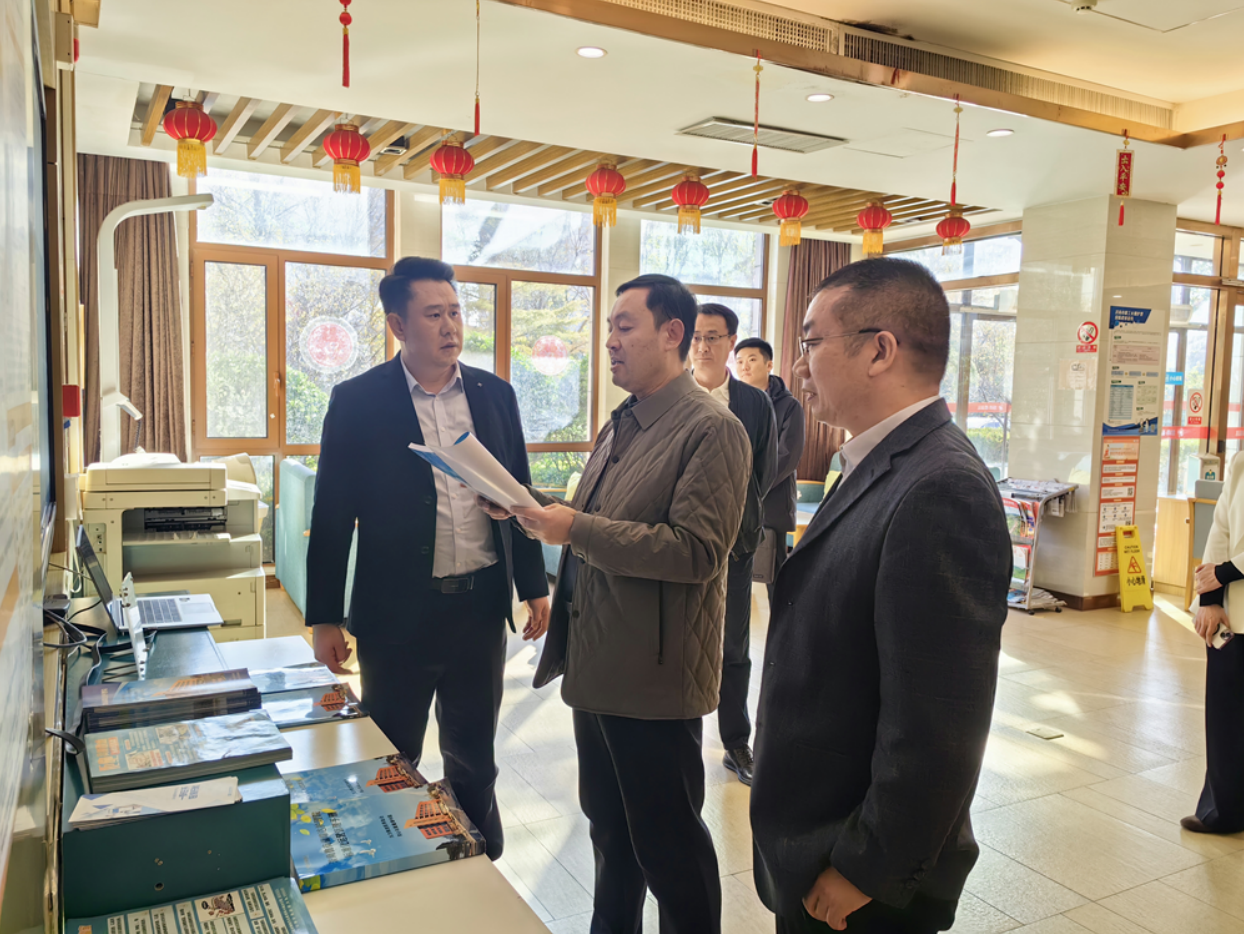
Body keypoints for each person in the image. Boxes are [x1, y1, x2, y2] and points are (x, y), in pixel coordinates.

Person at [750, 257, 1011, 934]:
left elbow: (939, 723)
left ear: (879, 350)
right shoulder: (874, 461)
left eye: (811, 342)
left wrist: (867, 867)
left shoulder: (940, 488)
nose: (798, 366)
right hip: (818, 836)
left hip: (861, 878)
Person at [488, 274, 751, 934]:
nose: (609, 340)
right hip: (599, 660)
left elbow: (696, 551)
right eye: (608, 327)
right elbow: (601, 514)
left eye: (624, 326)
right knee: (610, 832)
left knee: (669, 847)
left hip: (654, 676)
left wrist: (573, 528)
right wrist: (526, 503)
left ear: (672, 333)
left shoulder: (712, 429)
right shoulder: (625, 420)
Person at [305, 256, 550, 862]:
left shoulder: (495, 394)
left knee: (475, 755)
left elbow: (517, 490)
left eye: (456, 312)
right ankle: (391, 862)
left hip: (478, 609)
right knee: (393, 754)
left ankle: (481, 859)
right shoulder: (358, 400)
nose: (451, 326)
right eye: (434, 314)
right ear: (398, 325)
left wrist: (533, 584)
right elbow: (332, 513)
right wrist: (325, 617)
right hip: (397, 615)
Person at [691, 304, 776, 786]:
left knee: (734, 646)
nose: (702, 346)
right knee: (675, 640)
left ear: (731, 342)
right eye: (695, 337)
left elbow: (763, 472)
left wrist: (738, 523)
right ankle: (676, 732)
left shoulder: (754, 403)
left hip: (735, 546)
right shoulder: (669, 393)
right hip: (676, 544)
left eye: (713, 337)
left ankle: (735, 741)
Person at [1186, 450, 1244, 835]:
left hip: (1232, 583)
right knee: (1225, 717)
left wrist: (1226, 572)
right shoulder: (1241, 461)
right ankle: (1224, 809)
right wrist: (1209, 596)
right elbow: (1220, 528)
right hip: (1233, 611)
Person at [735, 337, 806, 601]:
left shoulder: (789, 406)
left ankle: (782, 625)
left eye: (752, 359)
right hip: (735, 502)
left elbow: (787, 456)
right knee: (735, 577)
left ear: (769, 365)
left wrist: (750, 486)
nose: (744, 366)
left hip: (771, 503)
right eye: (739, 361)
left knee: (772, 576)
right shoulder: (734, 403)